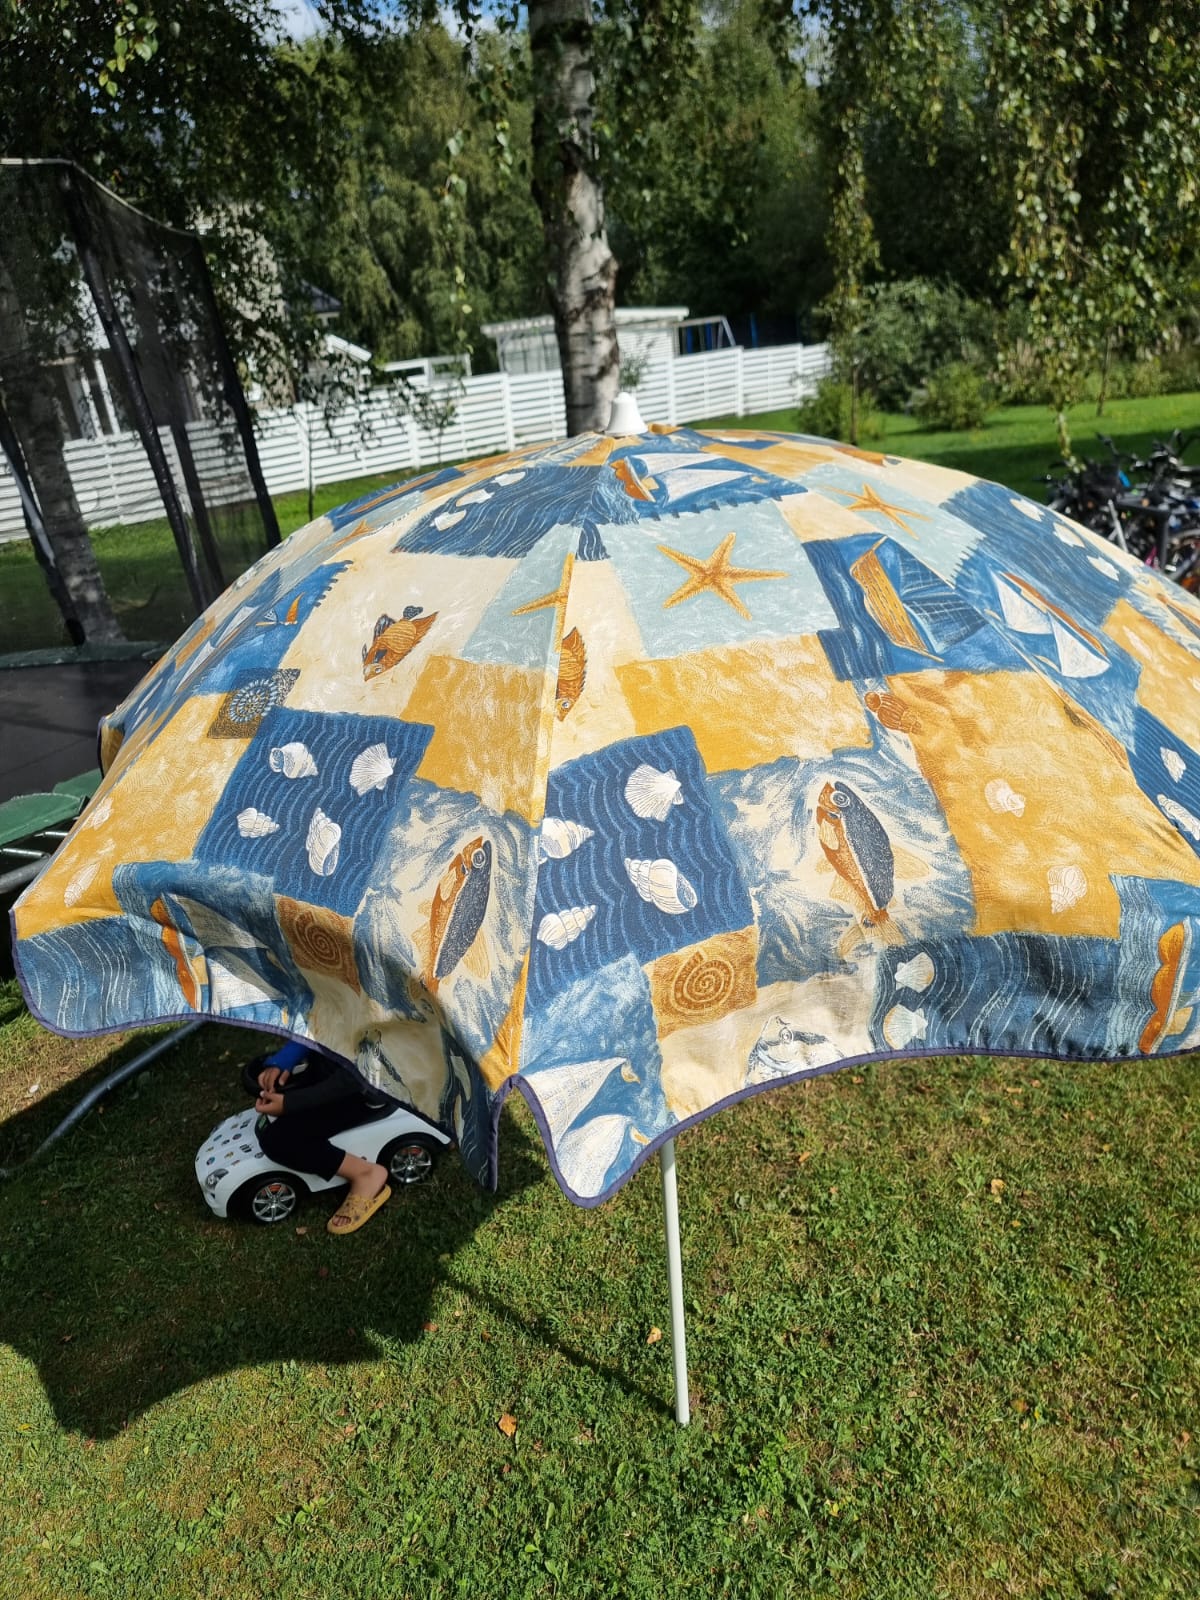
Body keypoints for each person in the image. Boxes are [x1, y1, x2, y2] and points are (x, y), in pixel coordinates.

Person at [247, 1040, 391, 1235]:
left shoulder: (385, 1016)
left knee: (278, 1140)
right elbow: (314, 1023)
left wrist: (292, 1103)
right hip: (328, 1069)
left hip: (363, 1092)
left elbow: (359, 1075)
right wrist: (283, 1061)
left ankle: (364, 1173)